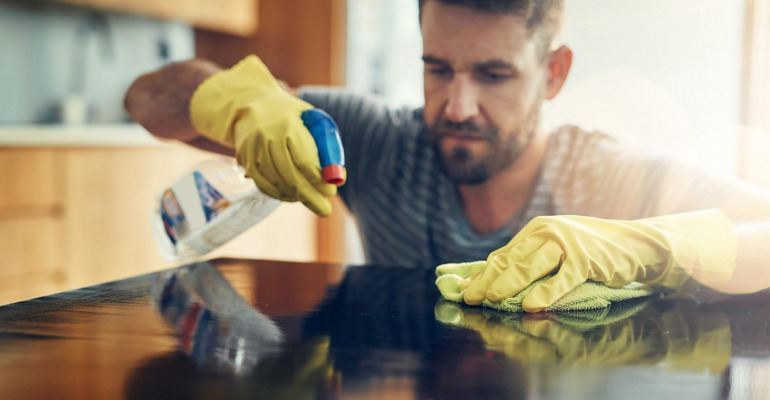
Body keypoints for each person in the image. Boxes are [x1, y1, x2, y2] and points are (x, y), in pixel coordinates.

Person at [124, 0, 770, 312]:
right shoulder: (372, 139)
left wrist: (649, 245)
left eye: (493, 75)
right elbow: (147, 96)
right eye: (438, 70)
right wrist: (239, 102)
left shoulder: (612, 175)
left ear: (553, 74)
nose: (457, 106)